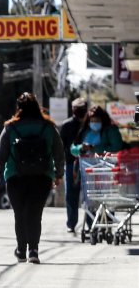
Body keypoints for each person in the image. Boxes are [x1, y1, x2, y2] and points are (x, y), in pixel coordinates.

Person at [0, 93, 65, 265]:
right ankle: (34, 250)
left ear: (19, 108)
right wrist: (59, 174)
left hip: (16, 177)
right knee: (35, 213)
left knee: (20, 214)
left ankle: (21, 249)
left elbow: (0, 155)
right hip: (42, 177)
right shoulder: (48, 127)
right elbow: (59, 153)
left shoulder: (10, 128)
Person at [58, 97, 87, 233]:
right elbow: (60, 146)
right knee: (71, 195)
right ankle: (71, 223)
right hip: (71, 165)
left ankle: (90, 222)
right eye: (78, 109)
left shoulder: (89, 124)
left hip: (88, 164)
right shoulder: (67, 125)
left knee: (89, 195)